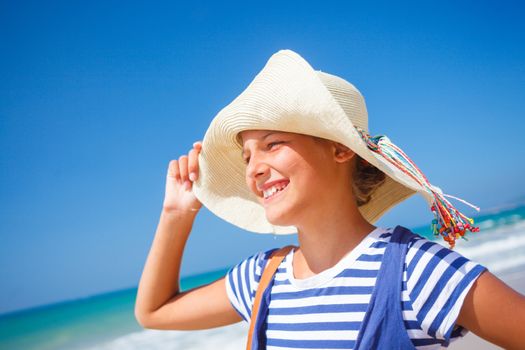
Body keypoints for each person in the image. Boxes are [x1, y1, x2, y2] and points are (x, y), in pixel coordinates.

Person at [135, 50, 525, 349]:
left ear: (341, 149)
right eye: (248, 156)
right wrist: (176, 213)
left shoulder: (414, 271)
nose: (254, 168)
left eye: (273, 144)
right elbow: (154, 312)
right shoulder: (261, 279)